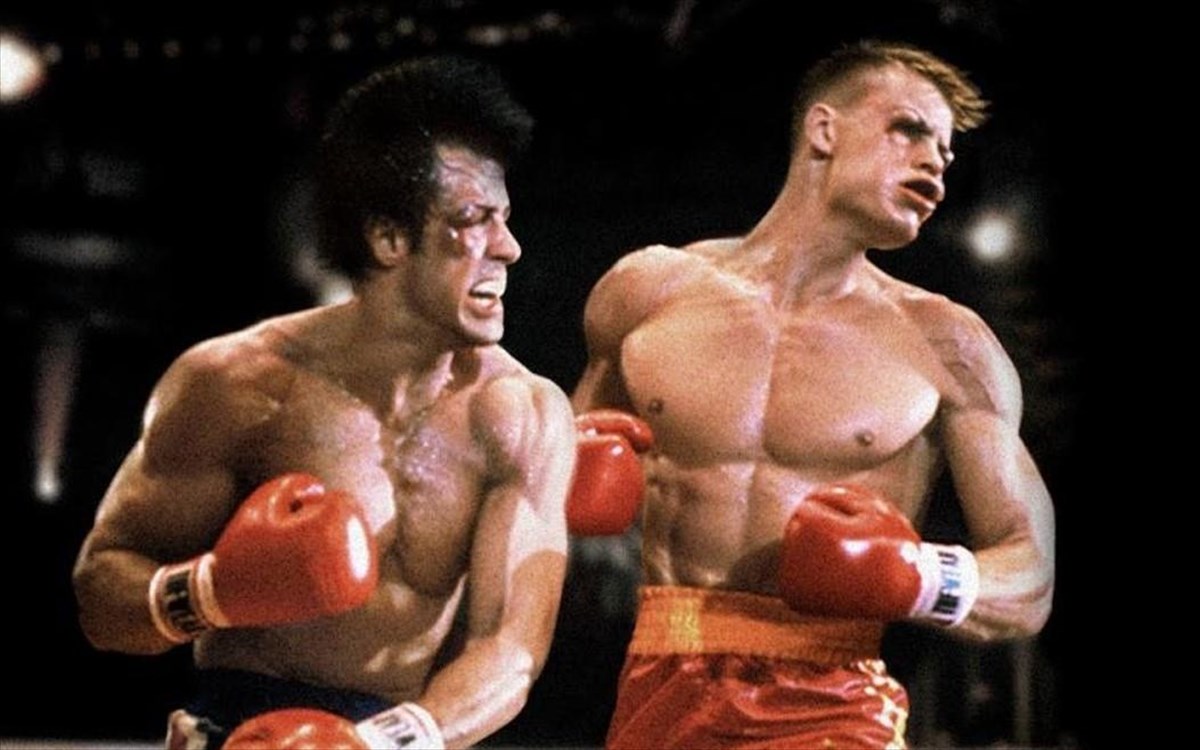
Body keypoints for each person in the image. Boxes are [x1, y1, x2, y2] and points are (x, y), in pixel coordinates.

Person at [72, 55, 578, 750]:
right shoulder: (238, 386)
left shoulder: (520, 415)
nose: (510, 248)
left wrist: (373, 744)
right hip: (238, 729)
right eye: (474, 220)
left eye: (506, 219)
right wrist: (213, 590)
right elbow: (101, 598)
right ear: (389, 238)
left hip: (402, 736)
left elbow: (509, 653)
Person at [569, 39, 1056, 749]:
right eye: (910, 130)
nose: (934, 164)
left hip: (835, 705)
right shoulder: (645, 294)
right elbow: (547, 504)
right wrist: (565, 476)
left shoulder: (947, 344)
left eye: (946, 152)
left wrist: (916, 576)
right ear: (823, 129)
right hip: (657, 689)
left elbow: (1030, 575)